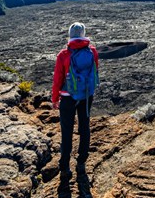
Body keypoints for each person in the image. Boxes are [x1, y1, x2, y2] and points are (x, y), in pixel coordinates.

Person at [51, 22, 99, 198]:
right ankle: (81, 163)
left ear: (70, 35)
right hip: (86, 95)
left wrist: (55, 98)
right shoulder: (92, 51)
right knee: (84, 128)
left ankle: (65, 169)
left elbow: (58, 78)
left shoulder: (63, 54)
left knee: (66, 133)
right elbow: (95, 70)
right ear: (84, 34)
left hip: (68, 98)